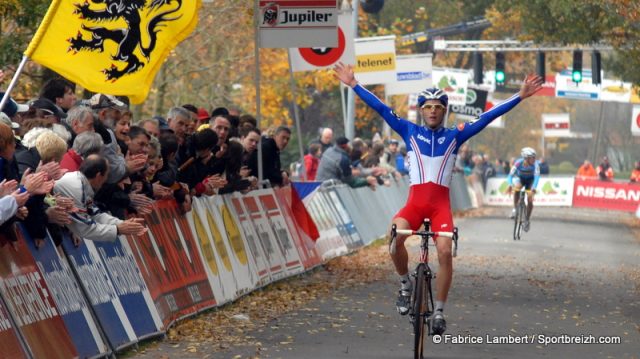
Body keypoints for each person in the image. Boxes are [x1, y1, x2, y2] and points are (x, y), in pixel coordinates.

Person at [333, 61, 542, 335]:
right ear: (422, 111)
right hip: (415, 203)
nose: (433, 111)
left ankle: (440, 311)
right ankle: (406, 285)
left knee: (445, 251)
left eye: (438, 107)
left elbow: (489, 116)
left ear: (444, 111)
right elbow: (382, 109)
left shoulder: (456, 134)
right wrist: (354, 84)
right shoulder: (409, 131)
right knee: (394, 238)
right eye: (428, 107)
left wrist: (520, 96)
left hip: (441, 205)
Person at [506, 147, 540, 233]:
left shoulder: (536, 165)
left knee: (530, 200)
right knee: (516, 188)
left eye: (534, 157)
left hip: (530, 181)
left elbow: (536, 177)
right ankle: (514, 209)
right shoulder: (518, 163)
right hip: (520, 179)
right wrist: (510, 184)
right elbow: (510, 175)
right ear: (526, 158)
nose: (534, 159)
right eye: (532, 157)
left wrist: (533, 188)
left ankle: (527, 219)